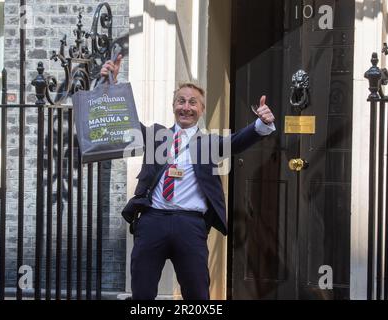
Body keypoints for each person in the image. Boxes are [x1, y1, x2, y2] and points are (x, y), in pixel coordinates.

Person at [101, 56, 276, 300]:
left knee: (197, 294)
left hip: (190, 225)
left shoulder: (209, 143)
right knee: (142, 293)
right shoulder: (156, 135)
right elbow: (125, 122)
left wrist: (261, 123)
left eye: (193, 103)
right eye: (181, 101)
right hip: (152, 221)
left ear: (201, 110)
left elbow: (235, 142)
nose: (186, 107)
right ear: (173, 106)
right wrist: (111, 84)